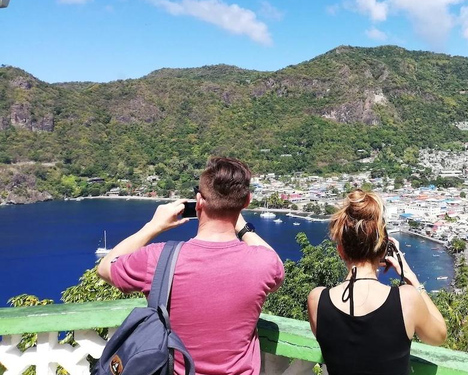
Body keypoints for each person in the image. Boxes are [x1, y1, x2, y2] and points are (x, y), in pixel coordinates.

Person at [97, 156, 284, 375]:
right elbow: (278, 267)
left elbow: (105, 268)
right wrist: (241, 227)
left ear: (199, 201)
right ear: (247, 201)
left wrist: (153, 226)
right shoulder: (263, 263)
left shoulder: (159, 258)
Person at [307, 190, 447, 375]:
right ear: (383, 250)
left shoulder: (317, 300)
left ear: (341, 251)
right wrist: (410, 277)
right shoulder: (406, 299)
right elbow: (438, 336)